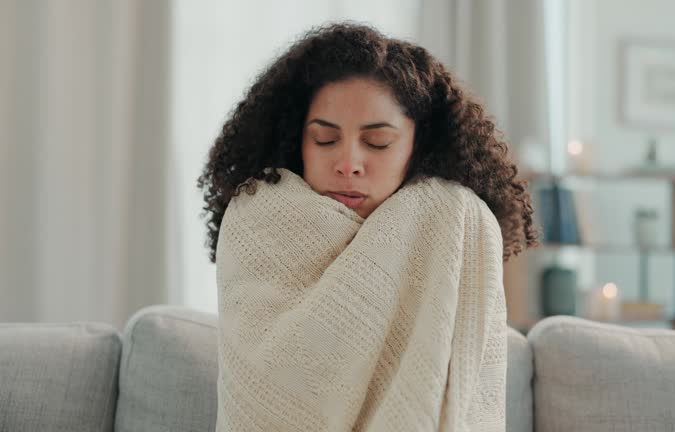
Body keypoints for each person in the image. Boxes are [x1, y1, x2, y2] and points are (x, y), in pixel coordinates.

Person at [198, 22, 538, 431]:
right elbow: (267, 390)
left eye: (377, 143)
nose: (348, 163)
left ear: (419, 147)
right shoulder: (257, 221)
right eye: (325, 139)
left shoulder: (451, 221)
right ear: (296, 140)